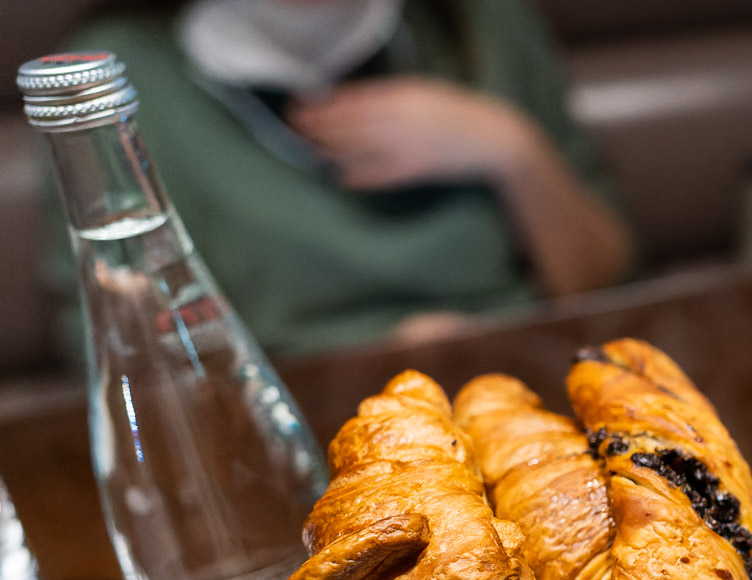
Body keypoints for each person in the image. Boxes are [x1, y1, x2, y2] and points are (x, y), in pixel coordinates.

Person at [56, 0, 634, 354]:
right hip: (288, 428)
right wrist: (372, 358)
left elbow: (609, 282)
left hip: (527, 379)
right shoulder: (112, 79)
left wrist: (514, 150)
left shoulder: (483, 22)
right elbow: (113, 347)